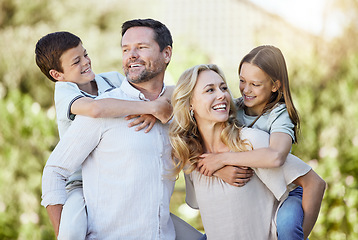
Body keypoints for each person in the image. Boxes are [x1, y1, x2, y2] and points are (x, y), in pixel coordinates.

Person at [41, 19, 203, 239]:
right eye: (126, 49)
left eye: (141, 47)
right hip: (80, 191)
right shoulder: (94, 107)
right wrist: (62, 231)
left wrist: (157, 105)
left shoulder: (174, 106)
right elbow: (55, 171)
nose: (131, 54)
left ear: (167, 54)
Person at [169, 64, 326, 239]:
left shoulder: (250, 142)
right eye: (210, 90)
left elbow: (315, 184)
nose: (222, 95)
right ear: (190, 103)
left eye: (223, 88)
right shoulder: (192, 158)